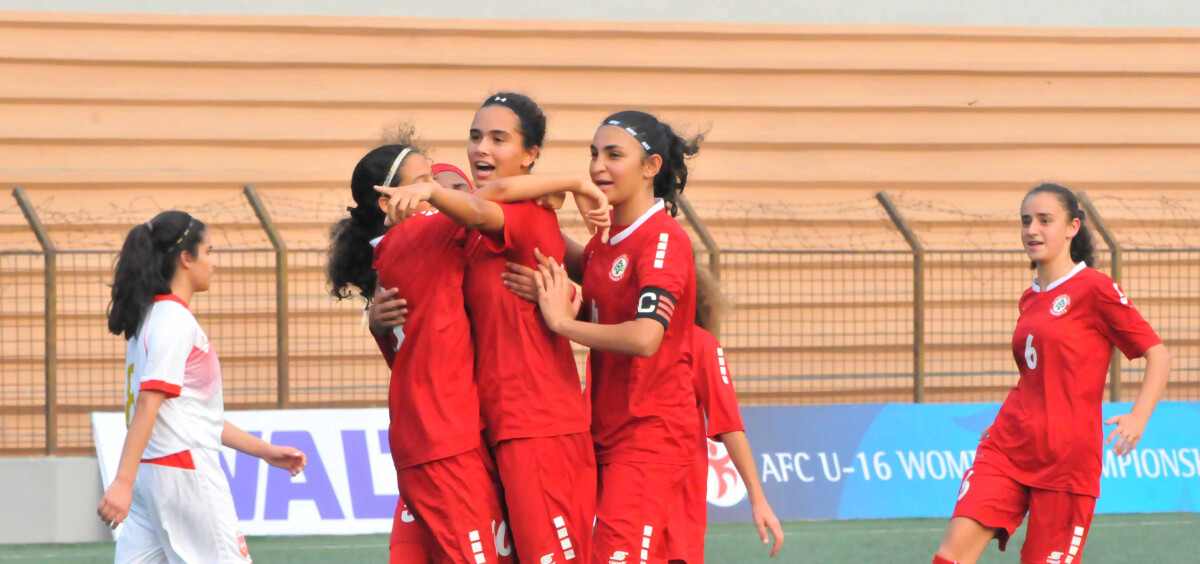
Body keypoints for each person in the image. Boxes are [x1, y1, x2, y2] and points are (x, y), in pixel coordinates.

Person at [377, 92, 605, 563]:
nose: (481, 148)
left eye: (499, 139)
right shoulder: (466, 235)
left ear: (530, 154)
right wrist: (377, 319)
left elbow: (485, 204)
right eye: (475, 136)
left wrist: (572, 307)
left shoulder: (523, 212)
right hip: (486, 431)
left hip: (537, 424)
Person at [933, 184, 1171, 564]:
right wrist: (1009, 420)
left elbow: (1158, 354)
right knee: (951, 556)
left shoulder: (1095, 288)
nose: (1032, 230)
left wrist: (1138, 417)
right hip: (1008, 447)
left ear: (1072, 227)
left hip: (1067, 462)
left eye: (1045, 221)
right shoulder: (1030, 297)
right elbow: (1035, 376)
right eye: (1026, 221)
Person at [530, 110, 705, 564]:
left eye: (613, 155)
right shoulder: (607, 241)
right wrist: (533, 213)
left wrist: (563, 324)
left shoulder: (663, 239)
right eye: (593, 154)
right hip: (604, 432)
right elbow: (570, 259)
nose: (597, 167)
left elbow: (646, 337)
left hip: (649, 438)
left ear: (651, 167)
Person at [100, 211, 306, 563]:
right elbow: (149, 404)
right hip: (184, 473)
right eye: (209, 251)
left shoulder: (149, 319)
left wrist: (264, 451)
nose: (214, 262)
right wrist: (121, 481)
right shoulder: (174, 321)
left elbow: (192, 414)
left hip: (153, 476)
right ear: (186, 258)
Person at [371, 143, 513, 564]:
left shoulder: (445, 257)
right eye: (428, 185)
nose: (438, 194)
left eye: (451, 189)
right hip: (448, 440)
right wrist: (574, 184)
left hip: (467, 436)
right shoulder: (426, 237)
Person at [663, 264, 785, 563]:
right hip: (625, 495)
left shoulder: (699, 344)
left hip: (676, 497)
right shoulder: (619, 342)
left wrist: (758, 498)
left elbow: (729, 424)